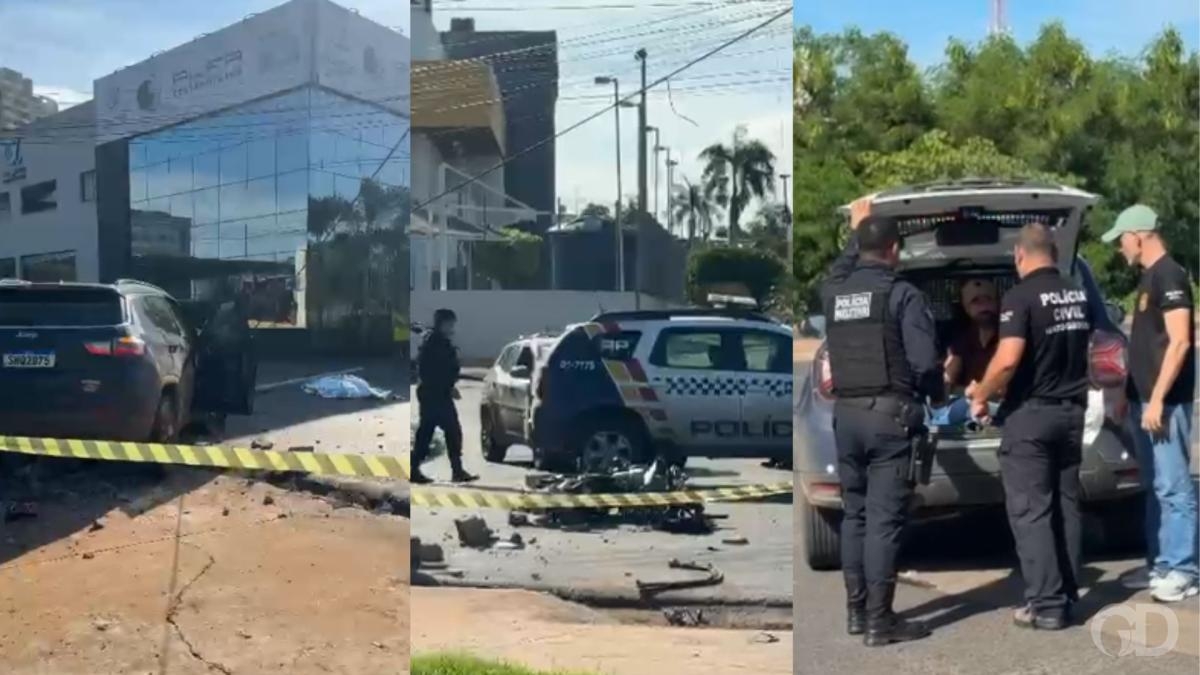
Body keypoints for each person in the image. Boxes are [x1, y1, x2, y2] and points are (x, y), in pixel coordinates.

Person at [822, 203, 944, 646]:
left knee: (854, 515)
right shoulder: (902, 295)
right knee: (882, 522)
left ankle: (856, 613)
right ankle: (880, 621)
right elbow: (924, 363)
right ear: (894, 250)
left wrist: (855, 232)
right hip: (890, 421)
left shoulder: (834, 293)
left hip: (847, 418)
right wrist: (938, 394)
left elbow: (837, 271)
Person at [970, 223, 1092, 630]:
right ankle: (1068, 591)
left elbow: (1007, 360)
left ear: (1019, 256)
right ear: (1053, 252)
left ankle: (1047, 605)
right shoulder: (1076, 290)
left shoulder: (1019, 297)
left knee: (1032, 511)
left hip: (1033, 418)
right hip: (1072, 412)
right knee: (1066, 505)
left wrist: (981, 394)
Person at [1103, 204, 1197, 603]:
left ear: (1139, 235)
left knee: (1174, 486)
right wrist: (1129, 395)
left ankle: (1184, 569)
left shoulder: (1170, 276)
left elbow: (1179, 342)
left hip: (1167, 403)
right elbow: (1143, 346)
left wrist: (1157, 398)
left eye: (1121, 239)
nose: (1120, 248)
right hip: (1144, 401)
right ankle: (1160, 562)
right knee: (1155, 486)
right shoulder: (1147, 279)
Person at [411, 308, 477, 485]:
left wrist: (449, 386)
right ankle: (415, 469)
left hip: (439, 393)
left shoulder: (439, 341)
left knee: (443, 432)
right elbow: (430, 371)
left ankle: (455, 470)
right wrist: (446, 387)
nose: (452, 327)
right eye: (450, 323)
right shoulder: (433, 343)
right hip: (434, 395)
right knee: (436, 432)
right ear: (442, 323)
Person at [927, 278, 1002, 429]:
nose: (983, 306)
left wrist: (982, 390)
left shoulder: (1010, 336)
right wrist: (944, 384)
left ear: (998, 303)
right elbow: (952, 370)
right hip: (967, 405)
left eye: (988, 299)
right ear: (966, 308)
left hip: (1000, 406)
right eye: (975, 301)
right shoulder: (963, 339)